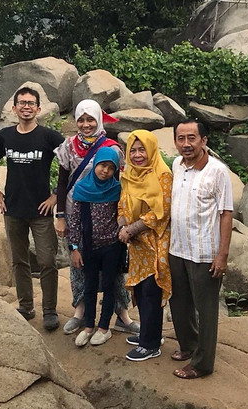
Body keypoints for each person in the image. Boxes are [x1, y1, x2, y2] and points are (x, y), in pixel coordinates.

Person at [0, 86, 66, 332]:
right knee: (19, 261)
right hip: (13, 209)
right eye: (22, 103)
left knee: (47, 261)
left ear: (38, 109)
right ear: (14, 108)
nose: (26, 106)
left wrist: (55, 195)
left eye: (31, 103)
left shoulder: (49, 137)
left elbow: (69, 163)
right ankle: (26, 306)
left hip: (40, 210)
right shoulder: (6, 136)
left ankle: (50, 311)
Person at [54, 100, 137, 336]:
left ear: (99, 120)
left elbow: (121, 182)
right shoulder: (69, 146)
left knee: (115, 269)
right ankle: (80, 313)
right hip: (76, 211)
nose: (86, 124)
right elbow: (62, 183)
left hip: (108, 216)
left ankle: (122, 316)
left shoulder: (112, 147)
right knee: (78, 265)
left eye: (91, 119)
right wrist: (61, 216)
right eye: (81, 119)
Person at [168, 119, 233, 379]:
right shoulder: (177, 165)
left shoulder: (218, 171)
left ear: (203, 141)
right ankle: (189, 346)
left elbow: (226, 213)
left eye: (191, 138)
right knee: (179, 302)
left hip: (204, 251)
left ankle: (203, 364)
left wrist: (222, 255)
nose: (186, 144)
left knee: (205, 309)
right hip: (178, 247)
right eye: (181, 138)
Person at [118, 129, 172, 362]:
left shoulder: (162, 174)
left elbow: (161, 211)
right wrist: (122, 225)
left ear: (151, 150)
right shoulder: (129, 174)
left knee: (151, 290)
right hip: (136, 245)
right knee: (140, 289)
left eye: (142, 150)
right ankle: (151, 335)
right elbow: (122, 204)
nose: (138, 155)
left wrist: (131, 229)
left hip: (155, 243)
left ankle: (150, 345)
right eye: (134, 150)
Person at [65, 146, 126, 347]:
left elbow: (123, 215)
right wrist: (74, 247)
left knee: (109, 286)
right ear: (95, 165)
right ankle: (88, 326)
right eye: (102, 165)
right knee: (89, 287)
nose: (105, 171)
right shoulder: (82, 188)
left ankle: (104, 328)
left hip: (111, 246)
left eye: (110, 167)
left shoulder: (116, 189)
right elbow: (74, 220)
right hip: (88, 247)